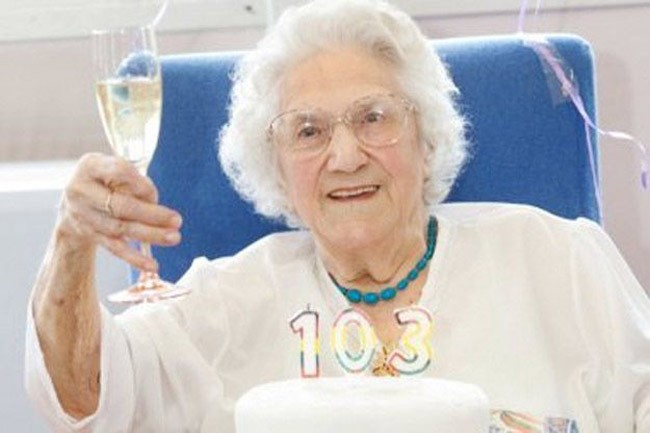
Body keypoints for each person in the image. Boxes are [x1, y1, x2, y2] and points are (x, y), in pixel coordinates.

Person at [25, 0, 650, 432]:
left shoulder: (561, 261)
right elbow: (85, 402)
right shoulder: (224, 305)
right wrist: (71, 243)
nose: (345, 156)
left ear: (426, 135)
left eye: (373, 118)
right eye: (308, 131)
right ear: (275, 166)